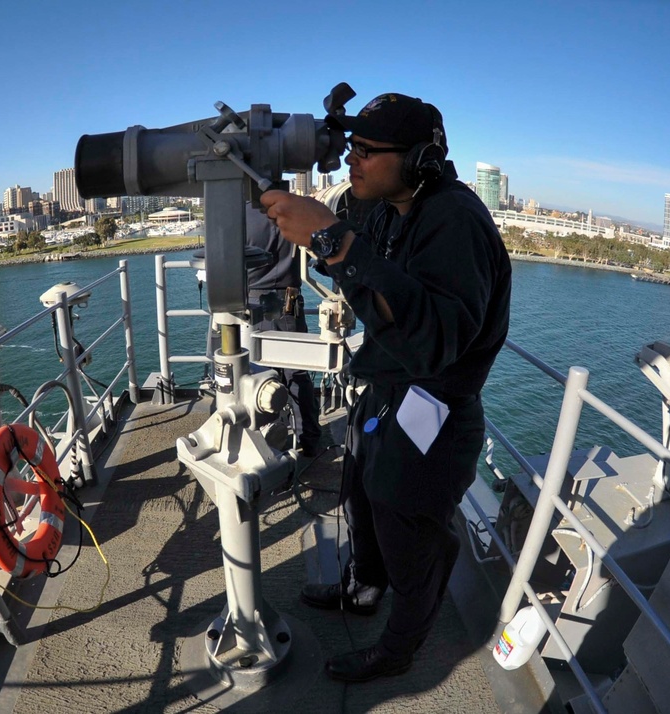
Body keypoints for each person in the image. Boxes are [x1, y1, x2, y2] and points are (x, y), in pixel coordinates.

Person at [260, 93, 512, 683]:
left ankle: (399, 650)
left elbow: (434, 342)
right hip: (387, 390)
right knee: (363, 499)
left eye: (368, 152)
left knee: (407, 532)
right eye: (352, 148)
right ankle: (364, 589)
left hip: (435, 408)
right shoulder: (388, 204)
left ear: (421, 159)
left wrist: (332, 242)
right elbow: (351, 229)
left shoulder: (455, 221)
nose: (354, 161)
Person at [205, 205, 323, 456]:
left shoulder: (234, 216)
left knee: (251, 379)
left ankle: (257, 444)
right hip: (289, 306)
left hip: (247, 305)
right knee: (297, 375)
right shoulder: (293, 210)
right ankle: (308, 439)